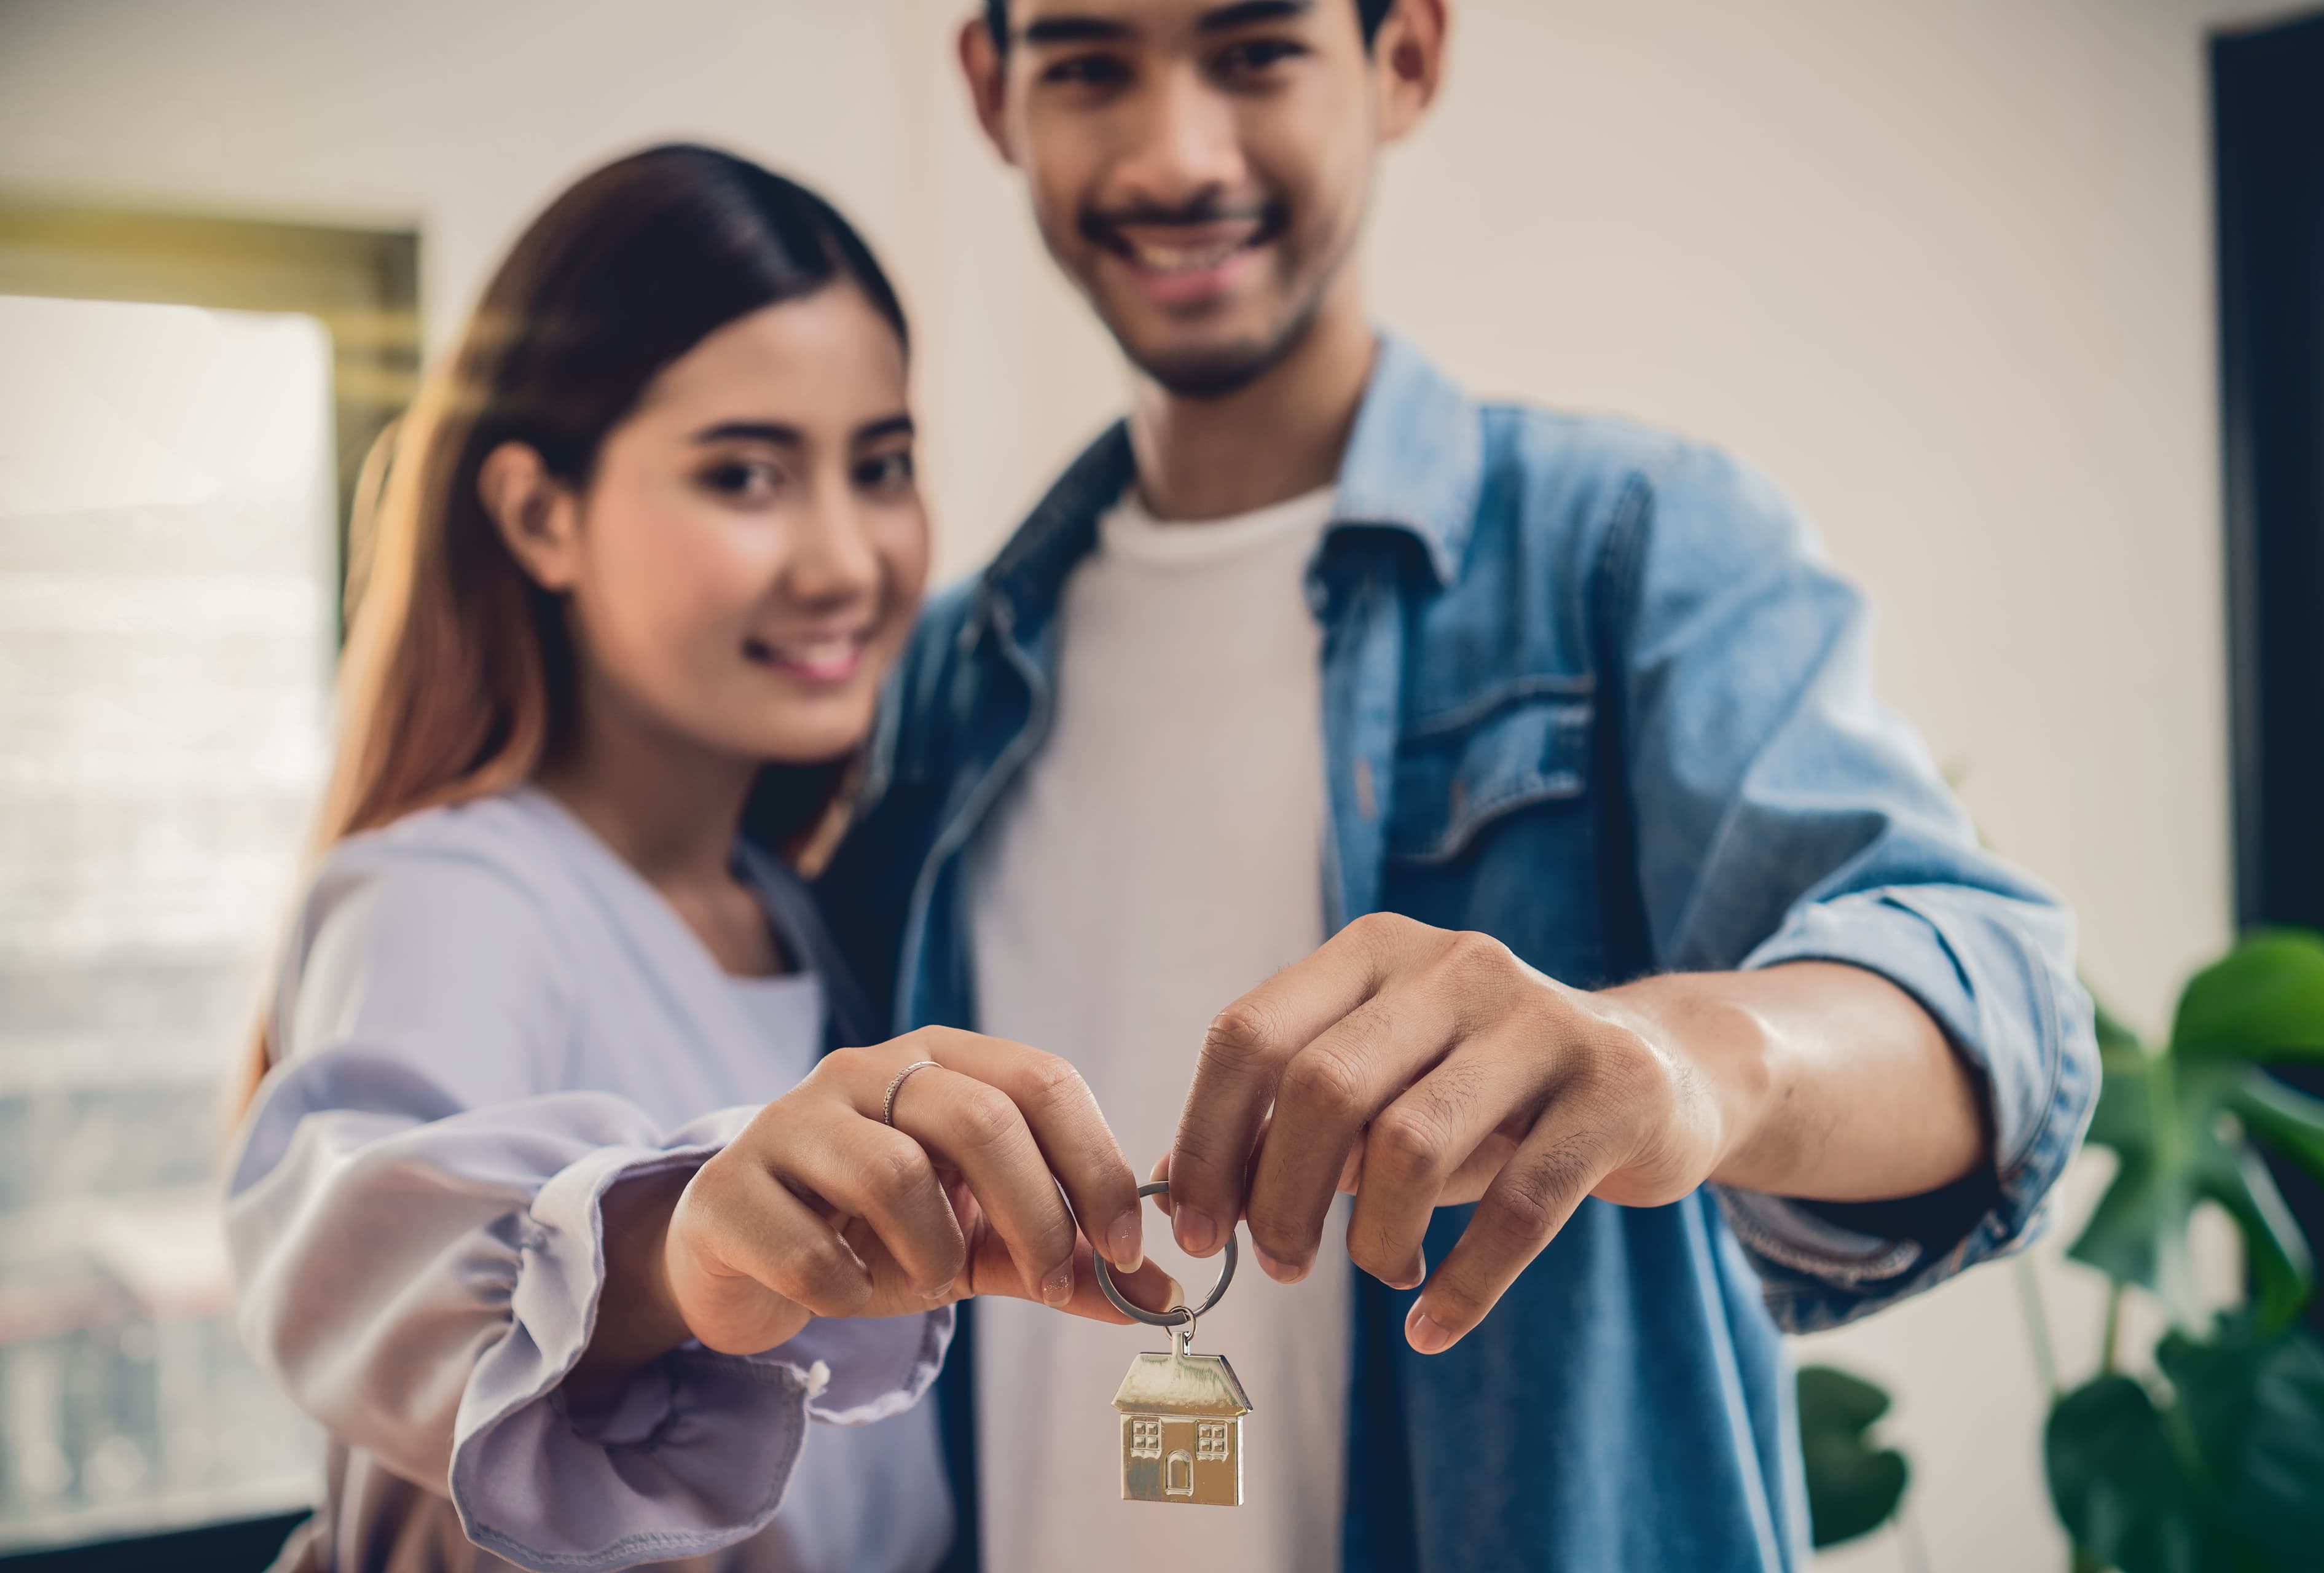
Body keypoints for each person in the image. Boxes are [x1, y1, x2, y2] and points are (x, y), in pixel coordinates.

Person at [819, 2, 2098, 1569]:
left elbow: (2004, 1018)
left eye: (1255, 51)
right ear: (990, 91)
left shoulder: (1629, 544)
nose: (1174, 153)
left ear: (1405, 60)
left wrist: (1687, 1058)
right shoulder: (941, 672)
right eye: (1090, 65)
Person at [224, 144, 1171, 1573]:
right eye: (747, 475)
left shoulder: (814, 917)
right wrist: (683, 1238)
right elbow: (357, 1241)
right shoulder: (453, 892)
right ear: (543, 514)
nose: (846, 557)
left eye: (883, 466)